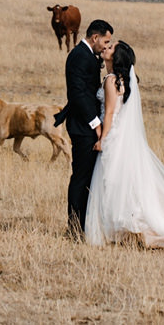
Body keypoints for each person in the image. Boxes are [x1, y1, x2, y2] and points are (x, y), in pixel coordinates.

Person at [85, 41, 164, 253]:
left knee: (112, 180)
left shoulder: (110, 80)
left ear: (115, 58)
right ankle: (133, 229)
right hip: (124, 137)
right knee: (124, 181)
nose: (106, 48)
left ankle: (125, 228)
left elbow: (108, 113)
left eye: (111, 48)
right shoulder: (126, 80)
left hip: (114, 135)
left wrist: (102, 138)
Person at [54, 19, 114, 240]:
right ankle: (75, 227)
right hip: (82, 127)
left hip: (86, 125)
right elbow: (78, 94)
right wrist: (95, 123)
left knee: (88, 176)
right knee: (80, 176)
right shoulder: (79, 56)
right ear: (95, 37)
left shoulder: (87, 55)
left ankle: (85, 225)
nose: (106, 46)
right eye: (105, 41)